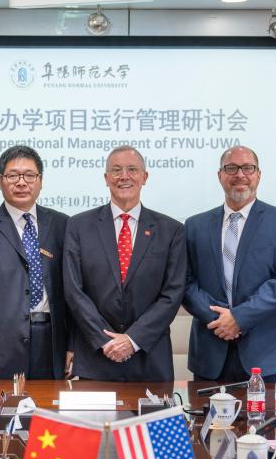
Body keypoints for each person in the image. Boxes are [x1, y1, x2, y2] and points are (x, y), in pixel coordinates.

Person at [63, 146, 185, 382]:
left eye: (132, 170)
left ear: (144, 177)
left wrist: (132, 340)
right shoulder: (78, 226)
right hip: (96, 355)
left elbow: (173, 293)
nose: (124, 176)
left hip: (149, 356)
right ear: (106, 178)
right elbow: (74, 291)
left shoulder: (171, 230)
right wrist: (105, 340)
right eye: (116, 170)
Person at [184, 146, 276, 383]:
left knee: (269, 411)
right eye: (231, 168)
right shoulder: (194, 225)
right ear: (220, 175)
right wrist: (221, 321)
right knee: (206, 411)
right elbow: (185, 282)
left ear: (258, 174)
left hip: (269, 355)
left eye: (248, 168)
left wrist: (238, 318)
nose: (240, 174)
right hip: (211, 351)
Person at [0, 145, 72, 381]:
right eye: (12, 175)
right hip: (1, 349)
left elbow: (74, 294)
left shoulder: (63, 225)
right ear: (0, 181)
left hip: (54, 344)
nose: (21, 182)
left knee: (51, 404)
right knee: (4, 405)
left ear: (40, 181)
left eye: (29, 175)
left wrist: (73, 346)